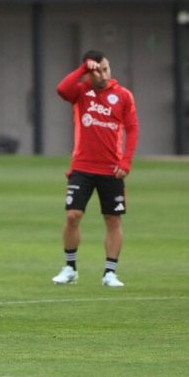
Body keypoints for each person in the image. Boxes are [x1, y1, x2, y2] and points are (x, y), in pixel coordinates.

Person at [52, 50, 138, 287]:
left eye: (106, 68)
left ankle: (110, 272)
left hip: (111, 169)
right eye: (97, 70)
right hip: (82, 166)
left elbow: (132, 129)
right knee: (73, 216)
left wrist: (126, 161)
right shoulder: (80, 92)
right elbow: (61, 89)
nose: (103, 74)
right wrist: (82, 70)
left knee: (113, 219)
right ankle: (70, 268)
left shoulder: (123, 96)